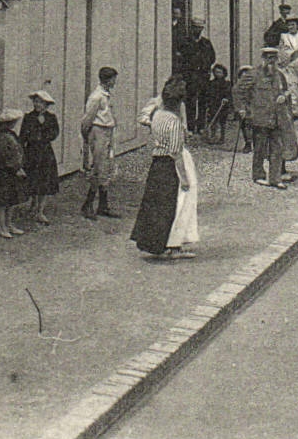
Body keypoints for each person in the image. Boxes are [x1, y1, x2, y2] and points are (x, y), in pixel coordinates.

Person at [131, 78, 195, 260]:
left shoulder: (157, 115)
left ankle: (151, 243)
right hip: (168, 165)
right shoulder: (174, 122)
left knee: (153, 205)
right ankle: (169, 246)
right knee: (170, 206)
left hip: (156, 163)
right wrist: (184, 178)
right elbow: (176, 153)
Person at [244, 46, 290, 188]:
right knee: (260, 148)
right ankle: (258, 175)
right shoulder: (254, 74)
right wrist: (244, 109)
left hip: (276, 117)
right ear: (263, 59)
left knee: (277, 148)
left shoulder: (280, 75)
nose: (271, 62)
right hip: (260, 117)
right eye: (268, 58)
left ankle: (275, 178)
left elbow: (287, 91)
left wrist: (284, 96)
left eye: (274, 59)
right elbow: (238, 91)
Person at [80, 66, 121, 219]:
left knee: (106, 167)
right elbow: (86, 120)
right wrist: (88, 138)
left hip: (108, 131)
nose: (115, 82)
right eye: (113, 79)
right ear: (107, 80)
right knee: (98, 168)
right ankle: (88, 204)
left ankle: (103, 205)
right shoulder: (96, 96)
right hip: (98, 131)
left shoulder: (107, 95)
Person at [19, 90, 60, 226]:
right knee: (32, 179)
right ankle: (33, 204)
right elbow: (23, 135)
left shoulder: (51, 118)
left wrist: (42, 129)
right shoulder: (28, 117)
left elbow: (54, 133)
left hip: (45, 153)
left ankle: (40, 211)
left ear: (46, 104)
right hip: (31, 152)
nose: (37, 104)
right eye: (35, 101)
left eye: (40, 102)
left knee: (44, 180)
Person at [0, 108, 28, 238]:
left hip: (11, 172)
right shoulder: (3, 137)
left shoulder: (10, 135)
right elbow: (4, 156)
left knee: (12, 199)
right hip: (5, 172)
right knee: (3, 201)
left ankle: (9, 224)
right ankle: (2, 226)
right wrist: (16, 168)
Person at [180, 20, 215, 131]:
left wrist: (205, 66)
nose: (197, 30)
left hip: (203, 76)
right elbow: (181, 58)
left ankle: (200, 126)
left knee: (203, 101)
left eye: (200, 28)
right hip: (190, 76)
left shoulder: (206, 43)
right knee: (190, 101)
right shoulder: (186, 42)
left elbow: (212, 57)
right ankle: (190, 127)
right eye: (195, 27)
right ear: (191, 28)